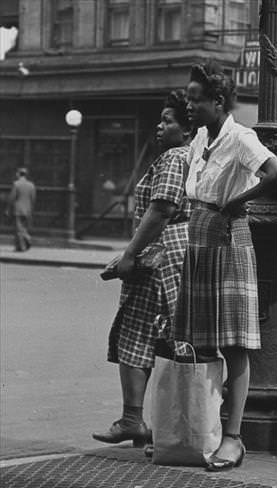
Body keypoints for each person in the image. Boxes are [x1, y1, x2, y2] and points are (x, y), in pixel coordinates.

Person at [173, 60, 277, 472]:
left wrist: (242, 200)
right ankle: (200, 430)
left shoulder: (241, 137)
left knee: (234, 344)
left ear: (218, 100)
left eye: (195, 99)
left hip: (228, 238)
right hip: (199, 235)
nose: (189, 105)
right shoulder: (200, 137)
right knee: (199, 340)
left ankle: (233, 438)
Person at [93, 90, 193, 448]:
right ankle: (147, 422)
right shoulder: (193, 156)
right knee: (163, 336)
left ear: (187, 128)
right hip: (173, 254)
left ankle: (140, 421)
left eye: (168, 120)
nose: (160, 125)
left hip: (160, 257)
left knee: (139, 333)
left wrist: (129, 255)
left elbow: (162, 209)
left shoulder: (174, 159)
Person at [5, 167, 36, 252]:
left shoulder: (16, 184)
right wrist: (31, 209)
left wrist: (8, 209)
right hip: (27, 209)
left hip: (18, 209)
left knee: (18, 229)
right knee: (23, 228)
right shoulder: (31, 185)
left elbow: (12, 198)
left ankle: (24, 244)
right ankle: (18, 247)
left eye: (17, 173)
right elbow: (33, 198)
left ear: (19, 174)